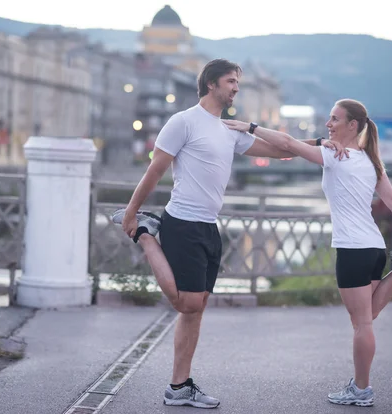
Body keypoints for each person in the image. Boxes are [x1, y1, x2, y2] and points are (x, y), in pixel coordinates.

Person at [110, 58, 348, 409]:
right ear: (211, 84)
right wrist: (131, 212)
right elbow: (154, 171)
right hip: (182, 222)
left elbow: (280, 151)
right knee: (187, 302)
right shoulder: (183, 122)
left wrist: (316, 142)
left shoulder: (229, 131)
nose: (236, 87)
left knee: (197, 308)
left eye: (238, 82)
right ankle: (146, 234)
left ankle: (179, 387)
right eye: (231, 81)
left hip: (209, 226)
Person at [223, 98, 392, 407]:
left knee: (362, 324)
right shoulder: (370, 161)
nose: (328, 123)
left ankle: (361, 390)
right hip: (374, 248)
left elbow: (289, 143)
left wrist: (251, 127)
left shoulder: (334, 158)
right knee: (368, 316)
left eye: (334, 119)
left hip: (353, 249)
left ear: (352, 125)